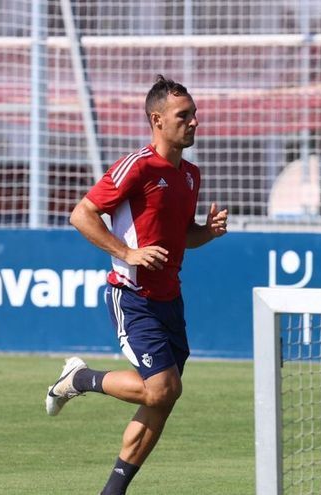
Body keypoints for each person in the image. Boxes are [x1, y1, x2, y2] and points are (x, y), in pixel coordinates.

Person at [45, 74, 228, 495]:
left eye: (195, 114)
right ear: (157, 120)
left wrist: (207, 232)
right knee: (162, 388)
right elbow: (82, 215)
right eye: (184, 115)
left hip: (170, 300)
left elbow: (181, 236)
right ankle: (80, 380)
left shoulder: (189, 176)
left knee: (161, 399)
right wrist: (128, 254)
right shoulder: (138, 166)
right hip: (132, 297)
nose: (195, 121)